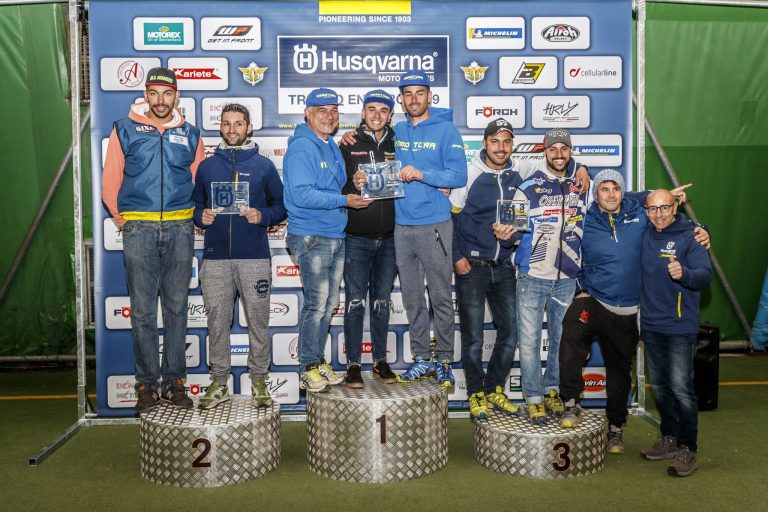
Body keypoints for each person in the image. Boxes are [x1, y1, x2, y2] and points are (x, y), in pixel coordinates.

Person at [558, 170, 709, 455]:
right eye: (604, 189)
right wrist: (580, 286)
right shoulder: (584, 219)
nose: (611, 194)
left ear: (623, 192)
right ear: (595, 194)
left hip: (627, 310)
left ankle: (616, 429)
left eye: (616, 188)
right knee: (572, 327)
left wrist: (702, 228)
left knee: (619, 371)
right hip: (595, 300)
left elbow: (673, 224)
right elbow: (567, 253)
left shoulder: (642, 216)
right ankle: (570, 401)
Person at [101, 67, 205, 413]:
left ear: (177, 96)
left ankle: (175, 382)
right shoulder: (124, 128)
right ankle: (146, 384)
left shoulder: (191, 134)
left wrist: (192, 219)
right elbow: (110, 180)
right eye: (154, 93)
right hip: (139, 230)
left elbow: (198, 182)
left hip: (180, 229)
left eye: (167, 93)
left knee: (176, 310)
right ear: (146, 95)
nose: (161, 100)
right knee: (143, 312)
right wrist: (124, 221)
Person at [192, 103, 287, 408]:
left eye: (238, 123)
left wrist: (263, 215)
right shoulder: (207, 167)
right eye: (226, 123)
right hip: (215, 258)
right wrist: (200, 216)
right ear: (220, 127)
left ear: (249, 127)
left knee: (258, 321)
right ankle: (219, 382)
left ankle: (259, 380)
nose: (232, 129)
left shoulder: (263, 166)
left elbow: (281, 206)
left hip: (254, 257)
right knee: (217, 322)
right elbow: (195, 205)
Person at [283, 88, 371, 393]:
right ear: (307, 113)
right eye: (321, 110)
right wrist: (345, 200)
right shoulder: (301, 147)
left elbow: (335, 186)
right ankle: (307, 366)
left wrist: (354, 183)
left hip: (334, 233)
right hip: (311, 234)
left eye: (334, 110)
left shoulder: (330, 144)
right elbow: (302, 195)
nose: (329, 116)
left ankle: (317, 360)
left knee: (329, 303)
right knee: (316, 304)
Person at [449, 118, 531, 419]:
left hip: (504, 267)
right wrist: (456, 256)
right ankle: (475, 393)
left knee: (510, 332)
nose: (501, 148)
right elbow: (450, 218)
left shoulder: (519, 174)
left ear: (512, 146)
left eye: (506, 142)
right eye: (495, 141)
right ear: (485, 143)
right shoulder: (468, 174)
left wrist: (513, 236)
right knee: (473, 337)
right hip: (472, 267)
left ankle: (495, 389)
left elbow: (557, 164)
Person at [390, 70, 468, 386]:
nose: (413, 99)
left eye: (419, 93)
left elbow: (458, 176)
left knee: (440, 296)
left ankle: (445, 360)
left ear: (429, 96)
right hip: (401, 226)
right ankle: (422, 358)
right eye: (407, 94)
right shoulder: (395, 130)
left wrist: (424, 174)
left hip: (435, 224)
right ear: (402, 99)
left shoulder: (447, 130)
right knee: (412, 298)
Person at [511, 128, 587, 424]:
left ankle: (553, 390)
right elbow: (511, 229)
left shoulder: (581, 185)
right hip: (532, 276)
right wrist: (506, 234)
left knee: (562, 340)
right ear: (544, 152)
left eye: (563, 149)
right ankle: (533, 398)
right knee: (529, 341)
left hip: (567, 277)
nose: (558, 154)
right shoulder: (528, 186)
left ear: (570, 151)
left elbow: (615, 200)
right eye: (552, 149)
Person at [639, 189, 712, 477]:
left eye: (664, 207)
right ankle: (669, 438)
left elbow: (705, 276)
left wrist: (686, 273)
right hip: (651, 325)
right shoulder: (644, 233)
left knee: (681, 388)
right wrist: (649, 195)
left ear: (675, 207)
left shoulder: (691, 236)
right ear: (646, 211)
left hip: (680, 326)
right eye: (652, 209)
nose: (658, 214)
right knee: (660, 387)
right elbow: (623, 199)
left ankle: (688, 448)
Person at [339, 90, 399, 388]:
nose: (377, 115)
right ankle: (353, 364)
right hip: (356, 238)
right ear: (363, 113)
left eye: (383, 110)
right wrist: (352, 182)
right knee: (354, 303)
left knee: (381, 302)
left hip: (389, 239)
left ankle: (379, 360)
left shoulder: (398, 142)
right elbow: (335, 187)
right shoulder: (347, 144)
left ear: (390, 115)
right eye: (371, 109)